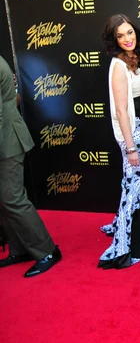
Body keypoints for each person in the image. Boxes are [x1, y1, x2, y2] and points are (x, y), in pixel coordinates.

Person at [98, 14, 140, 269]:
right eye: (121, 35)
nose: (127, 39)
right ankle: (131, 248)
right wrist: (131, 147)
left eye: (130, 33)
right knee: (136, 189)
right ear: (114, 40)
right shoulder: (118, 65)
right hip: (135, 134)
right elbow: (122, 110)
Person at [0, 55, 62, 277]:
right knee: (5, 201)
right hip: (6, 138)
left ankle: (47, 251)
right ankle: (21, 249)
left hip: (7, 140)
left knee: (13, 199)